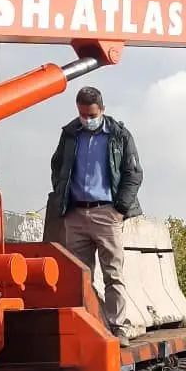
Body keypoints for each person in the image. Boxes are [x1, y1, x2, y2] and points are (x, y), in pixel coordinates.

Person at [50, 86, 143, 347]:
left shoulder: (119, 135)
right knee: (79, 275)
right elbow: (57, 166)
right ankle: (89, 326)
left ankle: (118, 327)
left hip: (107, 212)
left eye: (90, 114)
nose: (86, 119)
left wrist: (120, 209)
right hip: (76, 213)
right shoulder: (70, 134)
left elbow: (133, 173)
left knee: (113, 273)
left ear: (101, 109)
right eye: (81, 114)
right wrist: (62, 197)